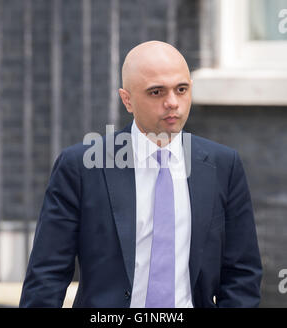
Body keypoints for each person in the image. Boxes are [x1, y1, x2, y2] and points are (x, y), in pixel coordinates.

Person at [19, 41, 262, 308]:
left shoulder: (224, 165)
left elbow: (242, 274)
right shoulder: (81, 167)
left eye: (181, 89)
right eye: (156, 92)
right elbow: (46, 276)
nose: (172, 103)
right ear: (127, 100)